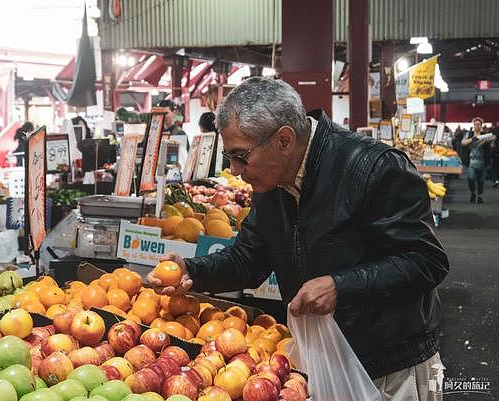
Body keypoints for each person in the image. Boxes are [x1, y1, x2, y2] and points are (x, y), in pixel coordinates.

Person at [147, 77, 449, 401]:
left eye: (241, 156)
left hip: (391, 369)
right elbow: (249, 258)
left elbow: (426, 260)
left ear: (285, 140)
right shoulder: (272, 182)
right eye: (229, 157)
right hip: (322, 360)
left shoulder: (374, 167)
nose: (235, 170)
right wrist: (193, 271)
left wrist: (340, 285)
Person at [461, 117, 495, 203]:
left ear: (481, 125)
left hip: (483, 162)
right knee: (471, 178)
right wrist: (473, 138)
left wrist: (491, 141)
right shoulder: (469, 134)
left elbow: (492, 146)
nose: (477, 126)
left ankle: (480, 196)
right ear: (473, 125)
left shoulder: (485, 135)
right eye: (475, 124)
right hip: (471, 162)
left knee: (481, 181)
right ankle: (473, 193)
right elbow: (463, 143)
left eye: (479, 124)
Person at [157, 100, 190, 166]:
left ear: (173, 113)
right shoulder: (157, 133)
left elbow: (183, 158)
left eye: (166, 113)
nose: (164, 116)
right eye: (161, 114)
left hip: (173, 172)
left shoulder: (179, 133)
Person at [199, 111, 230, 177]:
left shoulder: (204, 143)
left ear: (203, 128)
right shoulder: (225, 139)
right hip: (227, 178)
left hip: (209, 180)